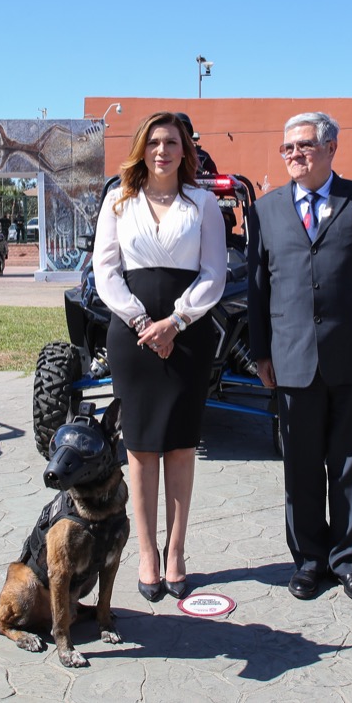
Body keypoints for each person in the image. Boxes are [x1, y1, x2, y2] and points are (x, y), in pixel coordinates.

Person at [247, 111, 352, 605]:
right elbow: (258, 289)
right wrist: (260, 353)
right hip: (291, 359)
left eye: (304, 146)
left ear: (331, 147)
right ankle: (309, 563)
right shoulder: (265, 210)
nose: (295, 155)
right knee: (299, 467)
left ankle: (347, 563)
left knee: (350, 463)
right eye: (287, 148)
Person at [92, 111, 227, 602]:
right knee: (141, 448)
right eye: (153, 142)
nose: (162, 151)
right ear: (141, 149)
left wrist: (176, 321)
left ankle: (176, 552)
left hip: (187, 334)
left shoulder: (204, 204)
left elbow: (214, 273)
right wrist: (139, 321)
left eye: (171, 142)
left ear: (184, 150)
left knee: (181, 447)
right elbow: (105, 271)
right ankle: (147, 553)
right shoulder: (118, 201)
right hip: (132, 336)